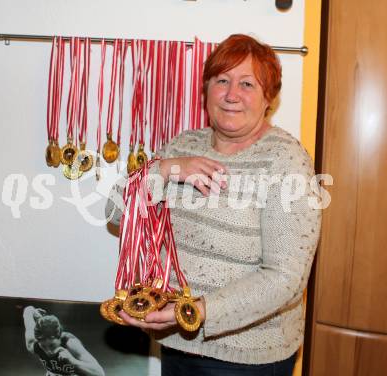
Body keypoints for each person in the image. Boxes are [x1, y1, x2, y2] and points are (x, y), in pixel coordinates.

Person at [106, 34, 322, 376]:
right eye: (222, 80)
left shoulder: (285, 161)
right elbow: (115, 213)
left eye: (247, 84)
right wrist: (164, 169)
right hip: (176, 343)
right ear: (206, 90)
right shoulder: (182, 144)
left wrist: (200, 310)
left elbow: (285, 277)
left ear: (269, 98)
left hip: (249, 358)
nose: (232, 94)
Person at [23, 306, 105, 376]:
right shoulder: (32, 343)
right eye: (43, 346)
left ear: (60, 337)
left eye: (52, 345)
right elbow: (27, 310)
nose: (49, 352)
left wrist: (73, 362)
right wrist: (33, 311)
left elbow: (99, 373)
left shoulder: (70, 343)